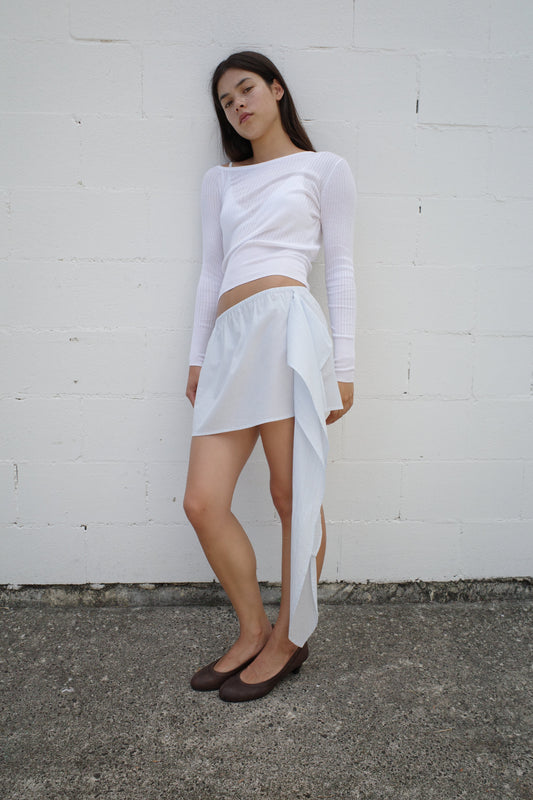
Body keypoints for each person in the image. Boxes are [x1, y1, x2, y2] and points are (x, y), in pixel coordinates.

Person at [183, 51, 357, 702]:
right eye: (226, 102)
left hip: (287, 329)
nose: (238, 106)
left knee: (292, 497)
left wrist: (342, 368)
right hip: (230, 341)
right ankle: (252, 628)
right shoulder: (219, 182)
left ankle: (289, 637)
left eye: (246, 90)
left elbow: (337, 270)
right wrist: (197, 358)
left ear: (276, 89)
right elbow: (210, 273)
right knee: (202, 501)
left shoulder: (322, 170)